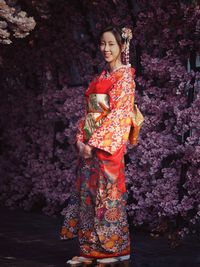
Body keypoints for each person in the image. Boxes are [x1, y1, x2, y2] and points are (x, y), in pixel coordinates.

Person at [60, 26, 136, 266]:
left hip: (106, 149)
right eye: (103, 44)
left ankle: (113, 251)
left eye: (111, 44)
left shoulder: (125, 77)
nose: (106, 49)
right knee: (88, 197)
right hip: (89, 148)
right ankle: (89, 250)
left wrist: (92, 145)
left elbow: (118, 116)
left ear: (122, 46)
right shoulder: (100, 78)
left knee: (107, 198)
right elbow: (88, 114)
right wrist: (80, 140)